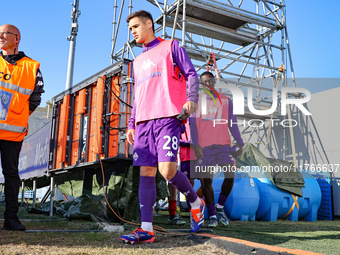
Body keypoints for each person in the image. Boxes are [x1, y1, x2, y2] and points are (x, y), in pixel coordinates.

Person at [120, 10, 205, 244]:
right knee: (146, 172)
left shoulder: (171, 46)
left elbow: (191, 73)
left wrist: (192, 98)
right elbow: (138, 95)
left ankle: (195, 202)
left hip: (169, 116)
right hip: (143, 122)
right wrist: (131, 123)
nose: (133, 32)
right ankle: (146, 229)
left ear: (149, 24)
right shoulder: (137, 62)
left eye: (136, 26)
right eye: (130, 29)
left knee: (166, 171)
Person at [0, 24, 44, 231]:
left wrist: (19, 115)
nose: (0, 36)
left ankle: (11, 219)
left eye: (5, 33)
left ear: (16, 38)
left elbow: (35, 97)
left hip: (12, 133)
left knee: (11, 175)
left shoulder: (32, 66)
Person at [190, 71, 243, 228]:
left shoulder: (226, 101)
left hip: (223, 146)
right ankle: (212, 215)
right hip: (205, 148)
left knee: (230, 175)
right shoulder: (196, 101)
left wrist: (240, 142)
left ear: (214, 82)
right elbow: (193, 125)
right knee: (207, 181)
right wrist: (196, 144)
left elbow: (232, 123)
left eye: (210, 81)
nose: (207, 84)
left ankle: (220, 208)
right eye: (204, 82)